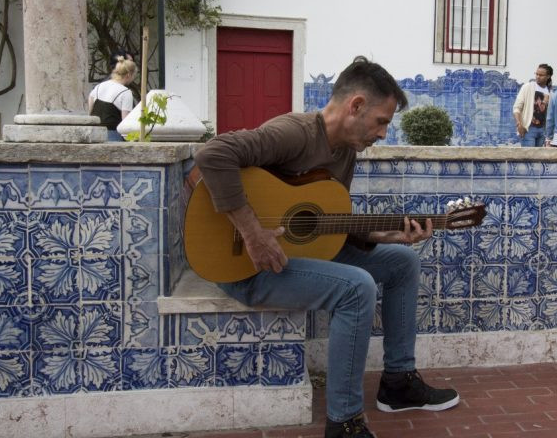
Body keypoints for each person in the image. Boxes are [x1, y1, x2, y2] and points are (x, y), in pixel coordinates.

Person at [194, 56, 460, 438]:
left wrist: (386, 235)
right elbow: (213, 154)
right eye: (382, 121)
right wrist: (253, 233)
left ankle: (399, 382)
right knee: (356, 288)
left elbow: (325, 223)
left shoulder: (344, 151)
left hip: (298, 255)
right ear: (355, 106)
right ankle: (344, 423)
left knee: (402, 261)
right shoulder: (296, 133)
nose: (383, 133)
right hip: (245, 265)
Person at [88, 55, 137, 141]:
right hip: (113, 135)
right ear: (129, 75)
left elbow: (90, 110)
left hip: (95, 133)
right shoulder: (125, 92)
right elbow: (125, 121)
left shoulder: (100, 85)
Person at [513, 63, 552, 146]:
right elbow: (517, 108)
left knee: (538, 158)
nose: (538, 76)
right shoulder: (528, 87)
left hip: (542, 131)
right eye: (536, 74)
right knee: (529, 157)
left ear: (548, 76)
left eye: (541, 75)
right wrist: (519, 124)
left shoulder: (550, 93)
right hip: (528, 129)